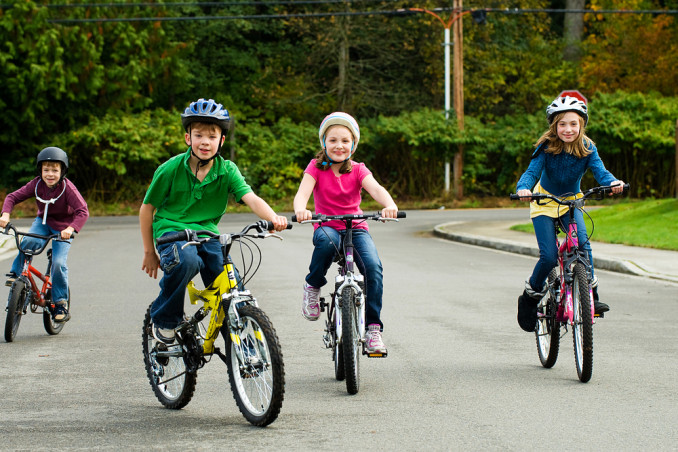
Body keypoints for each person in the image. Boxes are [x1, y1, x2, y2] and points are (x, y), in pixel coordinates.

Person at [140, 98, 288, 344]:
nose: (205, 142)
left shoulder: (227, 169)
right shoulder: (170, 169)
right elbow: (147, 209)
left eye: (212, 136)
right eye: (198, 135)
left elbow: (250, 198)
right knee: (186, 261)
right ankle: (165, 319)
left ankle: (245, 351)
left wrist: (273, 218)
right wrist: (149, 252)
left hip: (207, 234)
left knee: (232, 285)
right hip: (172, 232)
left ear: (222, 140)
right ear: (188, 138)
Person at [515, 95, 625, 332]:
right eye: (562, 124)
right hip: (544, 201)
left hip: (572, 202)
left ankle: (591, 296)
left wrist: (613, 182)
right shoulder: (546, 147)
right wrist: (523, 188)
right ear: (554, 126)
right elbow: (531, 172)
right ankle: (530, 298)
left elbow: (601, 172)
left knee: (583, 246)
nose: (568, 129)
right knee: (549, 257)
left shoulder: (587, 148)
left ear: (581, 125)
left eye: (573, 124)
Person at [293, 112, 398, 355]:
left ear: (353, 144)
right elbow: (302, 193)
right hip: (327, 225)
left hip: (356, 227)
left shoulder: (359, 170)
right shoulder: (316, 167)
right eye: (332, 140)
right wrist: (301, 210)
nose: (339, 146)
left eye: (345, 141)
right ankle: (313, 285)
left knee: (373, 268)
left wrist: (389, 205)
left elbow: (377, 189)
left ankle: (373, 329)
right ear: (324, 143)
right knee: (326, 244)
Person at [0, 147, 89, 323]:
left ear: (62, 171)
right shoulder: (36, 184)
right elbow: (12, 197)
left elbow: (82, 211)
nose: (50, 174)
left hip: (63, 228)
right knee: (27, 242)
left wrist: (70, 229)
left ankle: (60, 303)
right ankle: (17, 274)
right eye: (46, 170)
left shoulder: (68, 189)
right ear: (40, 171)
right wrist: (5, 214)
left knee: (58, 263)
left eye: (54, 170)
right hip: (43, 223)